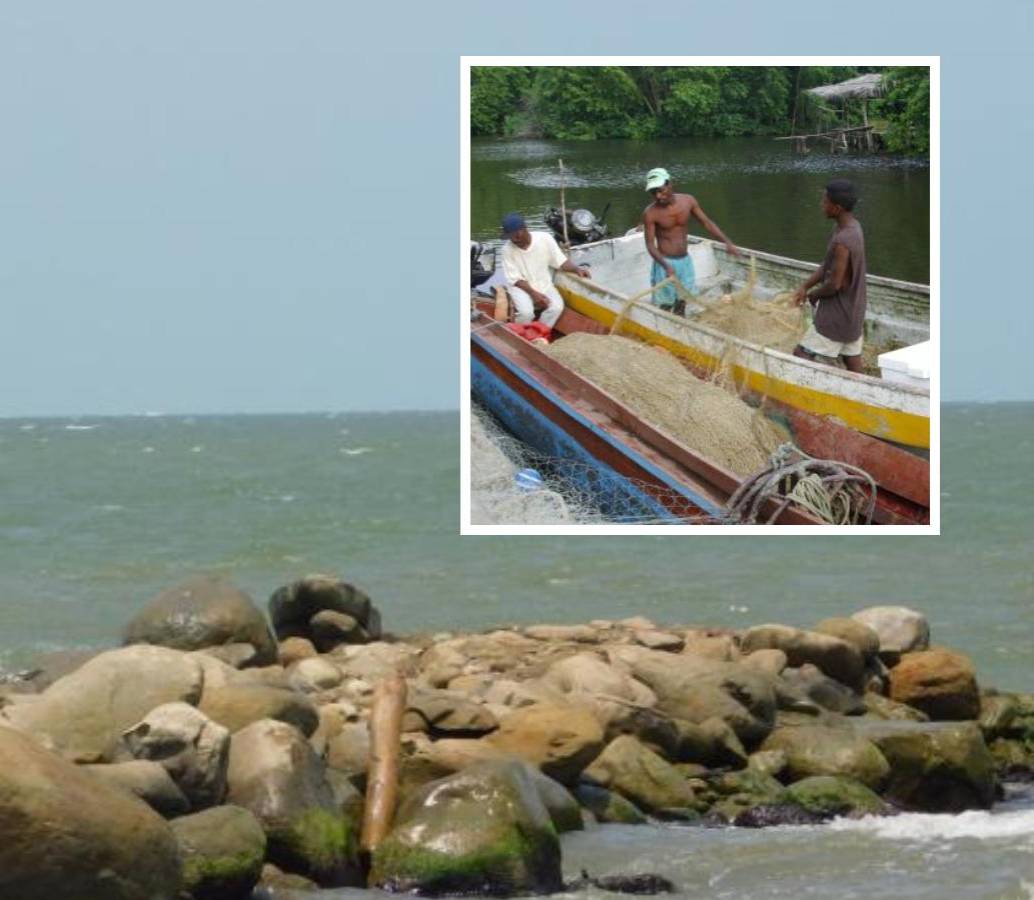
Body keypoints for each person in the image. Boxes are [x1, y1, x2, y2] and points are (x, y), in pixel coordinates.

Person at [792, 179, 867, 373]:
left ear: (837, 208)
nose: (821, 205)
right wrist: (805, 286)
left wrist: (814, 294)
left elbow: (835, 284)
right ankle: (865, 394)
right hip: (854, 308)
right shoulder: (851, 227)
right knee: (852, 359)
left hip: (837, 313)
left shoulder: (843, 240)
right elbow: (827, 265)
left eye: (825, 202)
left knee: (801, 355)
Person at [642, 167, 740, 312]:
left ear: (669, 184)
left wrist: (727, 243)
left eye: (660, 190)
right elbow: (650, 245)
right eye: (653, 192)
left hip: (685, 262)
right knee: (666, 305)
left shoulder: (688, 201)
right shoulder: (650, 213)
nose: (658, 196)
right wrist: (665, 266)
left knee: (683, 302)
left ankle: (680, 324)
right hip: (665, 263)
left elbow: (707, 223)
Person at [499, 213, 589, 329]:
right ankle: (520, 333)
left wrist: (576, 269)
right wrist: (534, 294)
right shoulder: (507, 250)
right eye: (510, 237)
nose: (513, 240)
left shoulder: (544, 238)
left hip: (543, 283)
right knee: (526, 313)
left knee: (556, 307)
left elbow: (560, 261)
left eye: (516, 235)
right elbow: (515, 279)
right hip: (520, 287)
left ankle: (539, 331)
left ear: (525, 229)